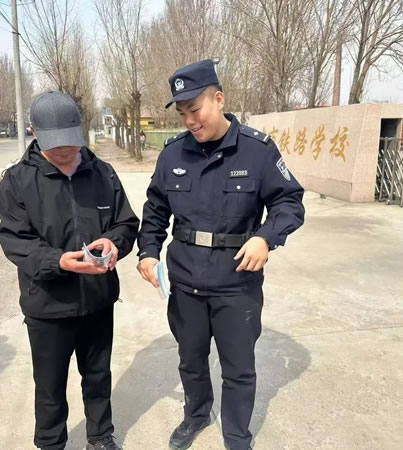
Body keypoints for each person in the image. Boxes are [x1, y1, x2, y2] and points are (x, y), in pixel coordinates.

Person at [137, 60, 305, 450]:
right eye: (182, 113)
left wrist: (265, 238)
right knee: (191, 359)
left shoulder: (257, 150)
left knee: (239, 367)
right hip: (186, 282)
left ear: (219, 99)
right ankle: (196, 414)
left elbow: (289, 203)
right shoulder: (173, 154)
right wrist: (147, 252)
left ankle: (236, 435)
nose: (189, 121)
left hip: (236, 283)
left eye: (195, 110)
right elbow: (155, 209)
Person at [0, 91, 139, 450]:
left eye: (71, 142)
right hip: (47, 305)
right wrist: (57, 261)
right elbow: (15, 239)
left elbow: (126, 222)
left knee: (98, 377)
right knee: (49, 386)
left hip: (98, 300)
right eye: (55, 144)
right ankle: (50, 443)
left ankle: (100, 436)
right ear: (34, 133)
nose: (65, 151)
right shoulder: (16, 181)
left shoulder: (102, 173)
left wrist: (114, 242)